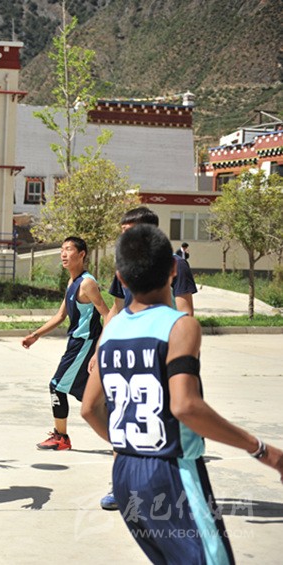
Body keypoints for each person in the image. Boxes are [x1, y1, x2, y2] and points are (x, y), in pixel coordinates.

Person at [81, 224, 283, 565]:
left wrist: (130, 445)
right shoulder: (179, 326)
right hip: (171, 470)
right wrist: (262, 449)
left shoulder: (112, 331)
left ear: (121, 279)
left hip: (125, 472)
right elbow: (186, 405)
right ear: (174, 269)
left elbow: (89, 408)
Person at [98, 206, 197, 509]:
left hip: (161, 353)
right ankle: (122, 484)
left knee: (168, 420)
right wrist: (100, 348)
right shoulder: (124, 267)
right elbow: (115, 311)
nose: (123, 238)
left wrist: (182, 354)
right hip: (126, 352)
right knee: (122, 414)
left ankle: (175, 486)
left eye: (128, 232)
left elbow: (185, 312)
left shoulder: (175, 265)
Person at [21, 237, 109, 450]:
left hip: (85, 343)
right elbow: (61, 315)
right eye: (61, 249)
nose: (63, 254)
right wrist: (36, 335)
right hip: (76, 344)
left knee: (57, 385)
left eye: (68, 249)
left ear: (82, 254)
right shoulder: (72, 282)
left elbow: (108, 316)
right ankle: (126, 431)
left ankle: (61, 437)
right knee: (87, 394)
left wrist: (98, 350)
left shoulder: (87, 283)